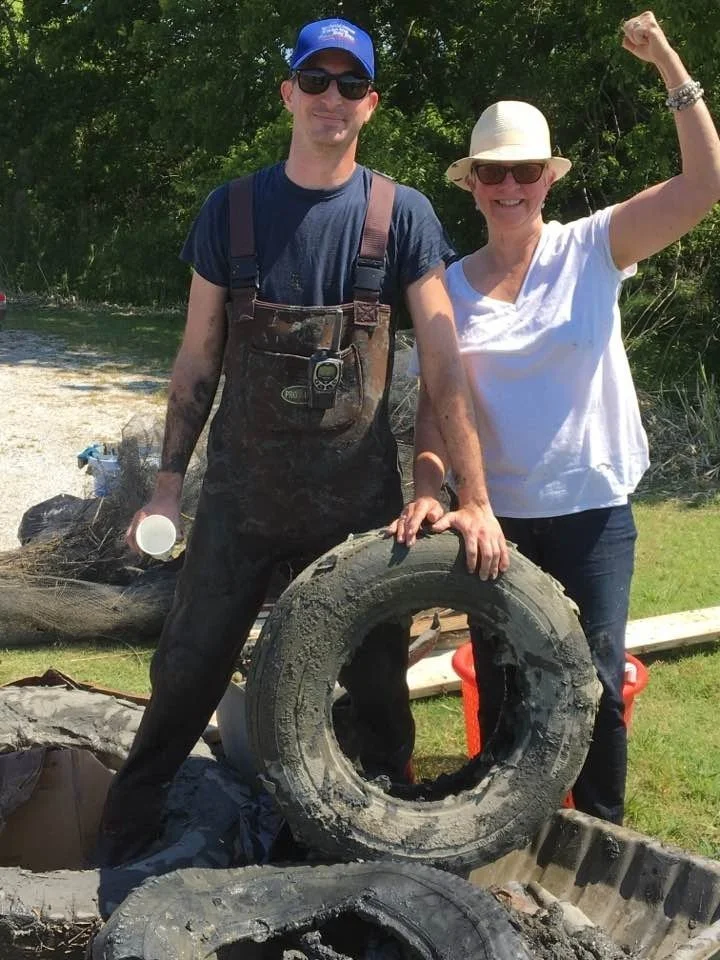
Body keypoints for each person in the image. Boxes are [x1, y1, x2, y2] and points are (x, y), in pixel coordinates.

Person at [97, 17, 507, 866]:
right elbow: (195, 361)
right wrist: (170, 485)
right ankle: (122, 839)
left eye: (349, 85)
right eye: (314, 82)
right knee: (185, 673)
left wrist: (475, 499)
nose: (331, 98)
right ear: (287, 93)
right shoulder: (231, 211)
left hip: (357, 513)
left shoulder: (404, 216)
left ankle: (376, 852)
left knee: (376, 697)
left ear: (371, 104)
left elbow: (441, 362)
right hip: (240, 506)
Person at [395, 11, 720, 824]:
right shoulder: (447, 285)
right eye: (494, 174)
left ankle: (601, 833)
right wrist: (432, 488)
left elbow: (704, 185)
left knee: (597, 686)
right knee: (505, 689)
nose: (511, 187)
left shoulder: (595, 247)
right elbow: (437, 407)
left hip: (593, 518)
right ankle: (507, 832)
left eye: (527, 171)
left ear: (549, 178)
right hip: (494, 523)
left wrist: (670, 69)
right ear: (469, 182)